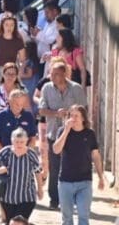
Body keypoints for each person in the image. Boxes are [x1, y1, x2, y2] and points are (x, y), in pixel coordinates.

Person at [38, 60, 86, 211]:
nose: (52, 77)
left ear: (64, 74)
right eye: (51, 74)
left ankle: (73, 199)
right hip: (54, 134)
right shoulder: (47, 88)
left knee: (73, 167)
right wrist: (55, 113)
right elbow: (41, 110)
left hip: (74, 135)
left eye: (56, 74)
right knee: (54, 167)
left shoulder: (76, 89)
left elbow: (83, 110)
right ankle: (54, 199)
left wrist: (71, 116)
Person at [51, 104, 106, 225]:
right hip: (65, 181)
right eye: (71, 115)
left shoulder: (89, 134)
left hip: (84, 181)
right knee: (67, 218)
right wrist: (66, 131)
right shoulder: (62, 131)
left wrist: (101, 177)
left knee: (83, 216)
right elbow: (56, 150)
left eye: (76, 116)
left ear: (83, 118)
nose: (73, 118)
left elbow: (96, 156)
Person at [0, 127, 45, 223]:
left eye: (22, 142)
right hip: (7, 197)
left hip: (27, 197)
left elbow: (37, 172)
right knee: (10, 222)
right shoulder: (6, 151)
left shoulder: (31, 154)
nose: (19, 144)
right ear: (12, 141)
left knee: (20, 222)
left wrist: (40, 189)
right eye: (16, 142)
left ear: (26, 141)